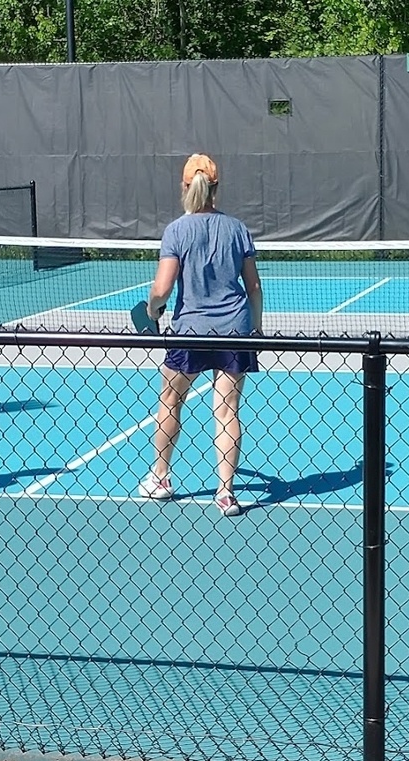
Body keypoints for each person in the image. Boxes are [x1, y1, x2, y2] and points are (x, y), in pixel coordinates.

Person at [137, 153, 263, 517]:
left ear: (184, 186)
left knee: (170, 402)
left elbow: (161, 289)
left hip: (190, 330)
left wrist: (151, 311)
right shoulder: (237, 229)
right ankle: (226, 493)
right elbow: (253, 287)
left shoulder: (177, 231)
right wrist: (256, 329)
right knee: (226, 411)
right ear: (216, 187)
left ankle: (161, 478)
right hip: (235, 331)